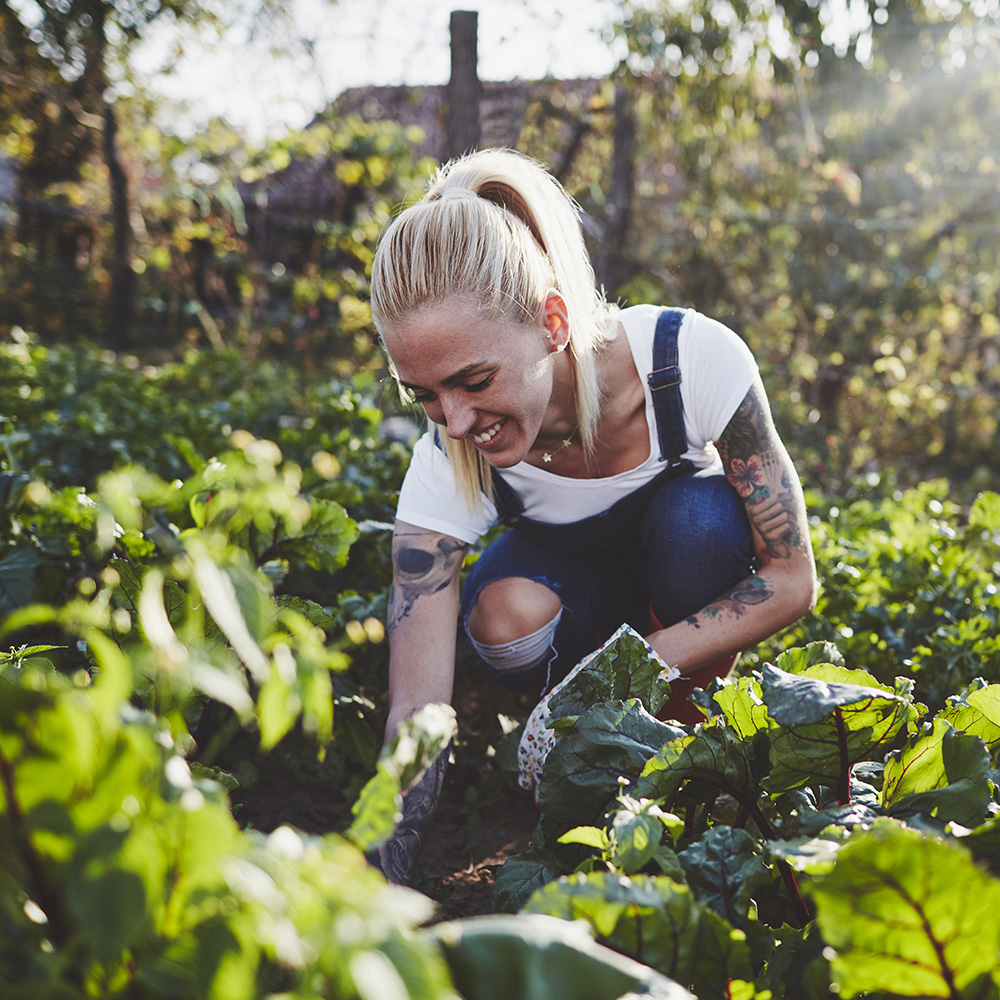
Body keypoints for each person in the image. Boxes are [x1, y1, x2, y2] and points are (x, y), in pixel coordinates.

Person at [367, 148, 817, 885]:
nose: (452, 421)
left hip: (681, 583)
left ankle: (677, 744)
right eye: (422, 394)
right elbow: (417, 708)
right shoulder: (446, 458)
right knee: (504, 619)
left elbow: (793, 579)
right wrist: (376, 880)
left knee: (700, 526)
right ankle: (577, 765)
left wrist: (617, 676)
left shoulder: (688, 361)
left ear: (551, 323)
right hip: (577, 590)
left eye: (474, 380)